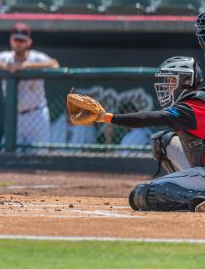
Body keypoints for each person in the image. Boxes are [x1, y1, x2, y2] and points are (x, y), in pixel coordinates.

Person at [72, 56, 205, 212]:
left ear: (186, 81)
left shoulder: (193, 106)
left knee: (147, 194)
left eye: (171, 81)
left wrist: (106, 117)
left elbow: (149, 118)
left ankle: (198, 197)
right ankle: (196, 190)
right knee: (163, 141)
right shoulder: (193, 103)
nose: (168, 86)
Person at [0, 23, 60, 146]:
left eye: (22, 40)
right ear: (11, 41)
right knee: (8, 155)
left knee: (39, 157)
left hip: (36, 114)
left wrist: (28, 66)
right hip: (13, 115)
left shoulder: (36, 58)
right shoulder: (6, 58)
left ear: (29, 42)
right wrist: (5, 66)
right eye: (16, 40)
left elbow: (55, 65)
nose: (19, 43)